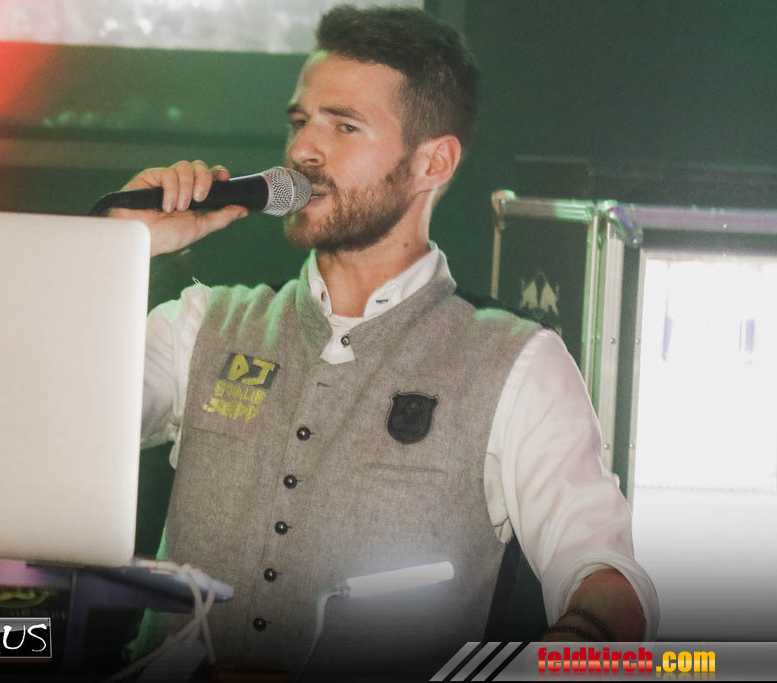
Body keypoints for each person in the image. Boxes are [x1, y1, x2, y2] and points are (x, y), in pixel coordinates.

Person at [113, 4, 658, 679]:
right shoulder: (201, 321)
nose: (303, 150)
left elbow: (608, 587)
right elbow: (41, 430)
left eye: (344, 126)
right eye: (300, 121)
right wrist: (119, 249)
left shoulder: (518, 362)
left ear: (433, 162)